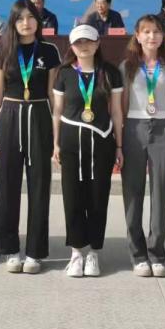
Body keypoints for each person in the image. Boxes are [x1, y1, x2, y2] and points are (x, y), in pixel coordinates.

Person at [0, 0, 60, 273]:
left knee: (39, 186)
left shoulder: (49, 51)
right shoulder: (4, 51)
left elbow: (53, 95)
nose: (26, 23)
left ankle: (35, 252)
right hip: (10, 115)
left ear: (38, 21)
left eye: (31, 17)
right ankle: (10, 250)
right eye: (20, 18)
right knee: (7, 185)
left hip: (39, 116)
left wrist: (56, 136)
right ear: (13, 22)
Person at [52, 24, 123, 278]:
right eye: (78, 42)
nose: (83, 46)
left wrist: (119, 145)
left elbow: (116, 111)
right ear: (71, 46)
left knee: (98, 197)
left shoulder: (110, 72)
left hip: (101, 141)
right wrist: (56, 144)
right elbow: (57, 111)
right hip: (71, 141)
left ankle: (94, 252)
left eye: (88, 41)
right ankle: (76, 253)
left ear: (97, 43)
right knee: (72, 197)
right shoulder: (64, 73)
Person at [121, 15, 165, 277]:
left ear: (163, 36)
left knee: (161, 191)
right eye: (146, 31)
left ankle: (156, 252)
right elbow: (122, 104)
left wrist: (164, 124)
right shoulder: (127, 66)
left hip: (162, 127)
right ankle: (137, 254)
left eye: (156, 32)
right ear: (137, 35)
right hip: (134, 127)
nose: (151, 36)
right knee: (133, 192)